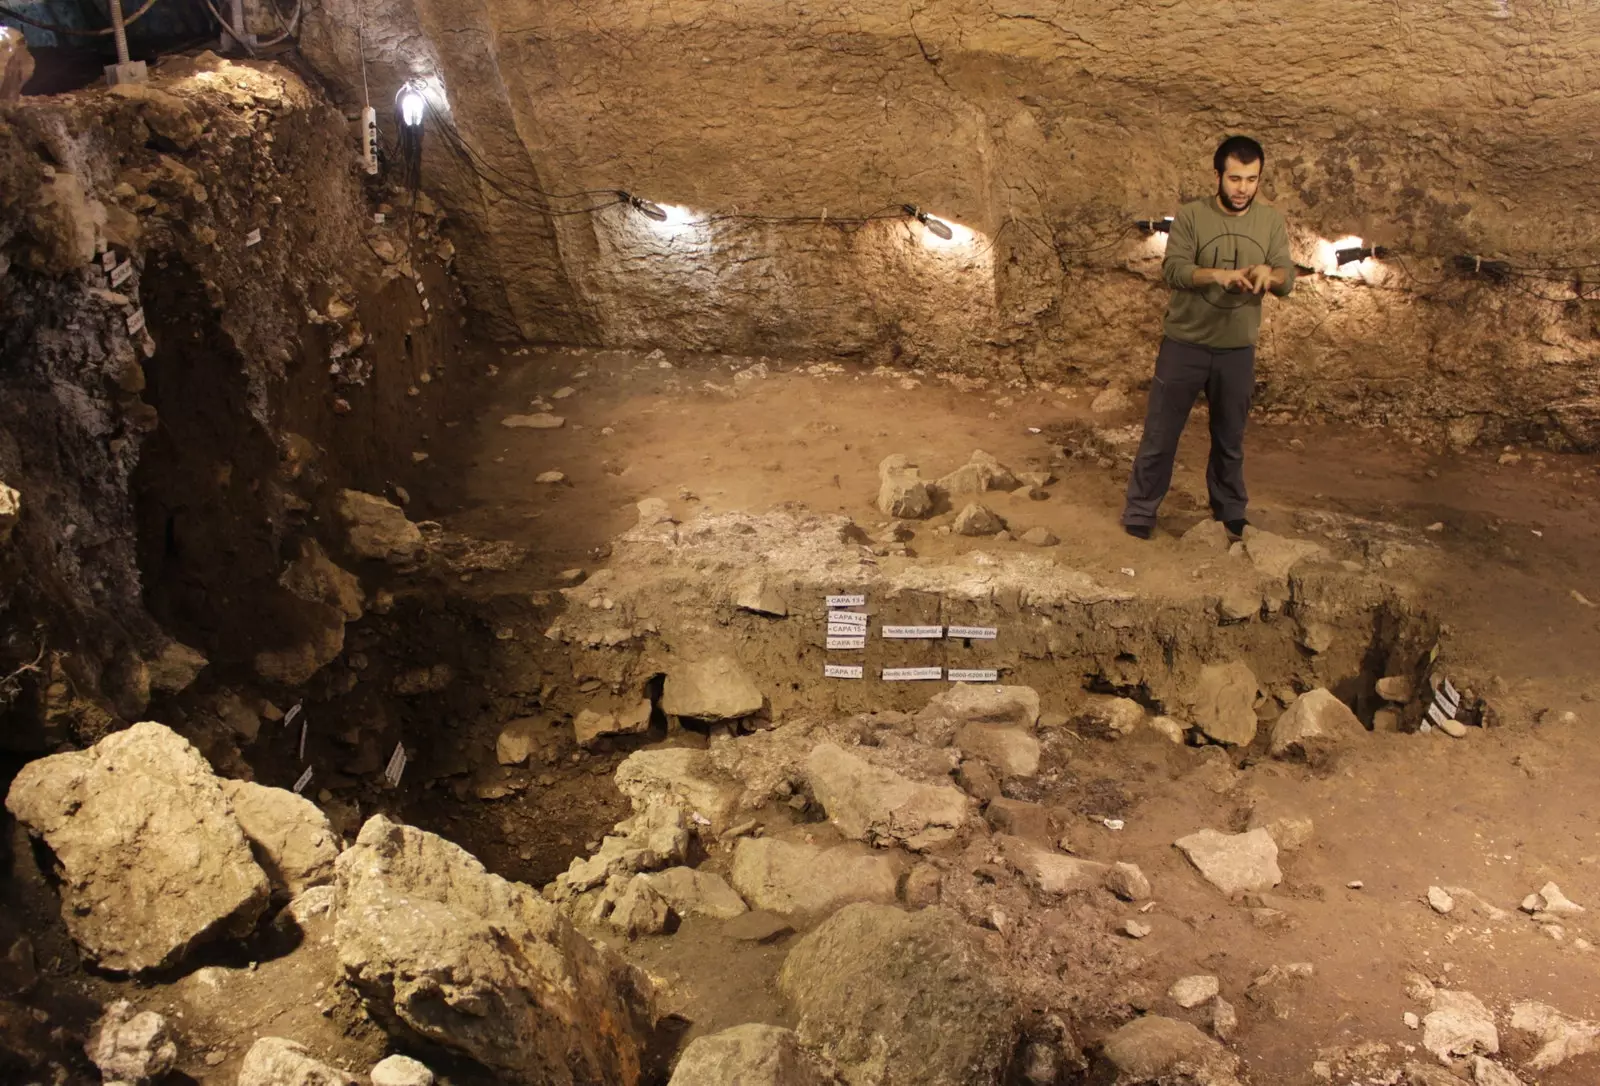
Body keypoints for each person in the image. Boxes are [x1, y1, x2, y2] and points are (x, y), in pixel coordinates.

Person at [1121, 135, 1296, 540]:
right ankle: (1141, 511)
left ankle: (1230, 509)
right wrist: (1216, 275)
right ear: (1217, 175)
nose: (1242, 188)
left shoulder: (1270, 222)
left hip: (1236, 350)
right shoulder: (1191, 216)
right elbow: (1175, 271)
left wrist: (1271, 275)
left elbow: (1286, 278)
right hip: (1185, 344)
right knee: (1161, 435)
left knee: (1229, 438)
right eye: (1235, 178)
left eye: (1251, 180)